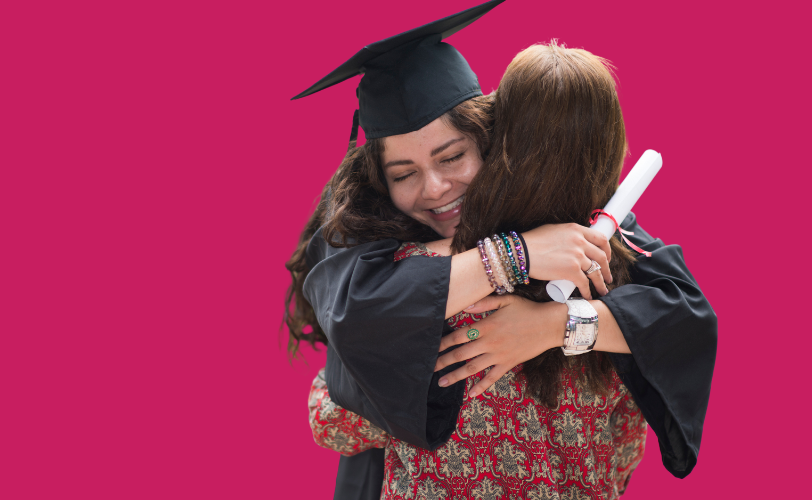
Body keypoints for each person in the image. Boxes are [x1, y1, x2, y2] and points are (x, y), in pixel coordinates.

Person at [286, 1, 716, 497]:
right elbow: (334, 415)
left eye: (453, 156)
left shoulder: (586, 229)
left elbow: (684, 316)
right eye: (403, 174)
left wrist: (555, 326)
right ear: (378, 182)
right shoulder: (372, 260)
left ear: (490, 141)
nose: (435, 187)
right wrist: (519, 255)